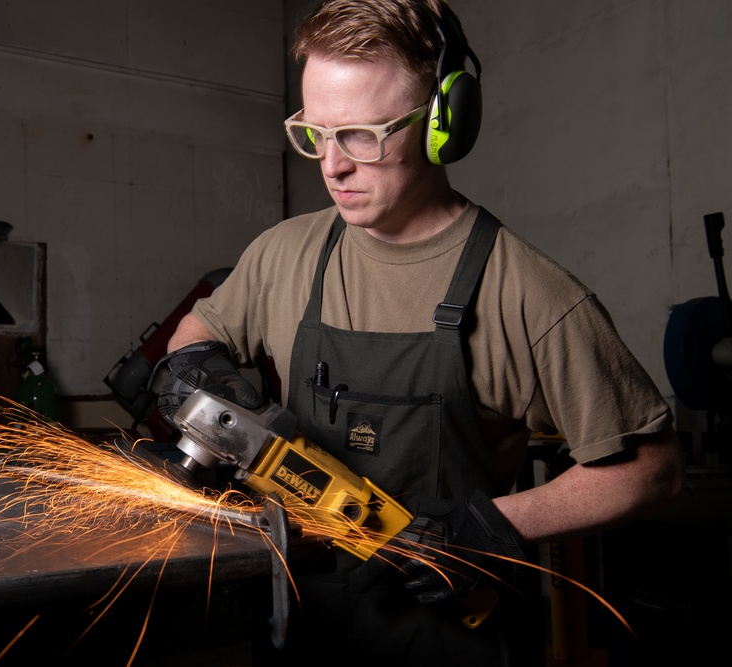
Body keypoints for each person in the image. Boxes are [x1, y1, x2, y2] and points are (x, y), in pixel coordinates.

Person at [158, 0, 685, 664]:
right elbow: (197, 327)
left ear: (444, 125)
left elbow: (655, 468)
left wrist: (488, 529)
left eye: (361, 134)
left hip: (451, 639)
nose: (331, 164)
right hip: (303, 627)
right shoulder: (284, 253)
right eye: (315, 132)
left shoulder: (525, 291)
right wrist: (200, 374)